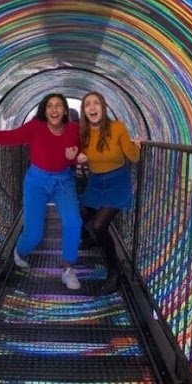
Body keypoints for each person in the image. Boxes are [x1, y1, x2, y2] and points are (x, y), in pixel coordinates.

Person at [0, 93, 86, 290]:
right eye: (50, 106)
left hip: (63, 181)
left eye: (58, 106)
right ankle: (20, 251)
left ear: (64, 111)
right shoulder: (36, 127)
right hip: (37, 181)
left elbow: (83, 150)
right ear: (44, 110)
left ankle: (68, 267)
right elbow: (14, 136)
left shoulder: (73, 129)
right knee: (34, 234)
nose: (54, 110)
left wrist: (76, 156)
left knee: (73, 222)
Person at [77, 91, 143, 272]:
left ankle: (114, 270)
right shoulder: (84, 133)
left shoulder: (117, 127)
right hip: (96, 182)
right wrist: (80, 157)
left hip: (117, 181)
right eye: (87, 104)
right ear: (84, 111)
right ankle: (93, 239)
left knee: (99, 225)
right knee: (78, 216)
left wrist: (136, 145)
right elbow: (86, 156)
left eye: (96, 103)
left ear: (103, 107)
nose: (92, 107)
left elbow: (134, 157)